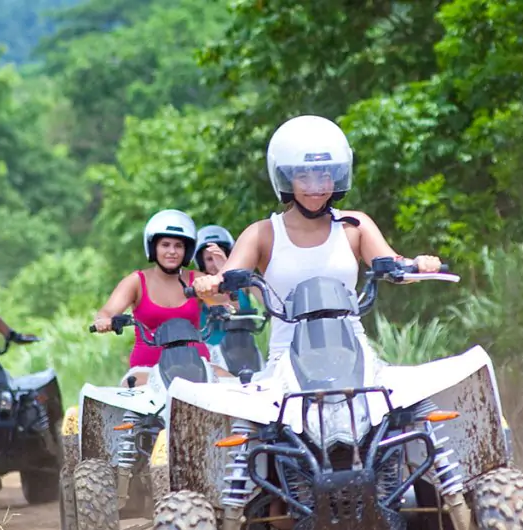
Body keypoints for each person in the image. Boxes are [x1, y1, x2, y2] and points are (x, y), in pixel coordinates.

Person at [193, 114, 442, 365]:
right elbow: (222, 288)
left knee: (419, 401)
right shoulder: (262, 233)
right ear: (287, 178)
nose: (317, 186)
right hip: (287, 362)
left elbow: (396, 265)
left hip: (355, 354)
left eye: (325, 175)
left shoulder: (355, 225)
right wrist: (209, 287)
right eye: (304, 176)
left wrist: (420, 263)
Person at [92, 209, 222, 386]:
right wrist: (104, 320)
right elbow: (107, 311)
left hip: (198, 365)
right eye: (165, 245)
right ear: (153, 248)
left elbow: (228, 304)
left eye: (178, 246)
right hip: (147, 370)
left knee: (238, 387)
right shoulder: (137, 281)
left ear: (187, 250)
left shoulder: (197, 280)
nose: (172, 251)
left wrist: (223, 272)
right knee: (127, 395)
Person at [194, 225, 258, 347]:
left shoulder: (244, 284)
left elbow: (236, 309)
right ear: (201, 262)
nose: (214, 263)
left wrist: (227, 270)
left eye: (219, 256)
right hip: (210, 354)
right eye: (209, 259)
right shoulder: (198, 286)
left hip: (245, 351)